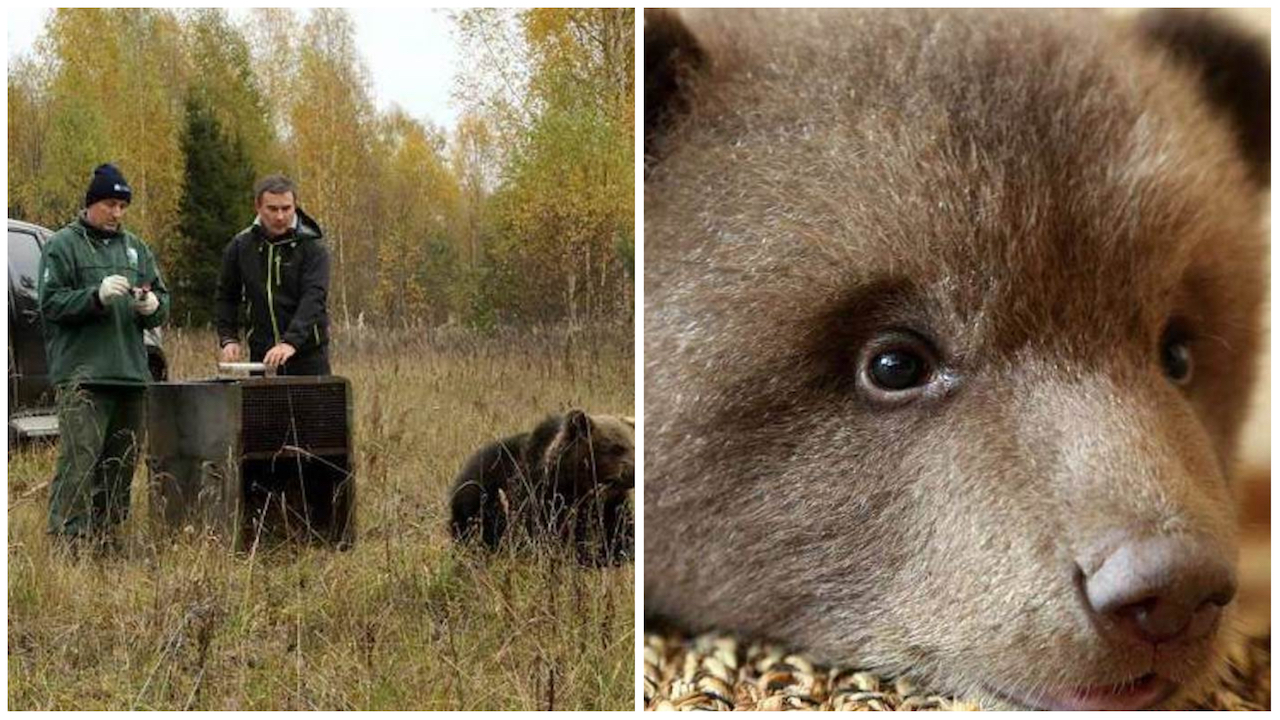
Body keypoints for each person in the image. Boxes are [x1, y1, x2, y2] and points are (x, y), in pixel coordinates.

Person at [37, 162, 170, 547]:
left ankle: (106, 534)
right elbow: (50, 303)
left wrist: (153, 306)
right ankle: (68, 537)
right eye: (110, 204)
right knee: (80, 459)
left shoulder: (136, 249)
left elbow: (162, 299)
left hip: (130, 374)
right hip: (84, 375)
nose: (116, 213)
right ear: (92, 203)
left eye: (122, 206)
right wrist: (93, 296)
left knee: (121, 463)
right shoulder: (63, 245)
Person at [215, 174, 331, 375]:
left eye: (286, 208)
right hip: (262, 356)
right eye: (272, 209)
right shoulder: (240, 246)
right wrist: (229, 338)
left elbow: (314, 297)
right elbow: (226, 295)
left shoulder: (312, 247)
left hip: (308, 356)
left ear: (295, 206)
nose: (280, 216)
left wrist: (290, 342)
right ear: (258, 207)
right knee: (262, 407)